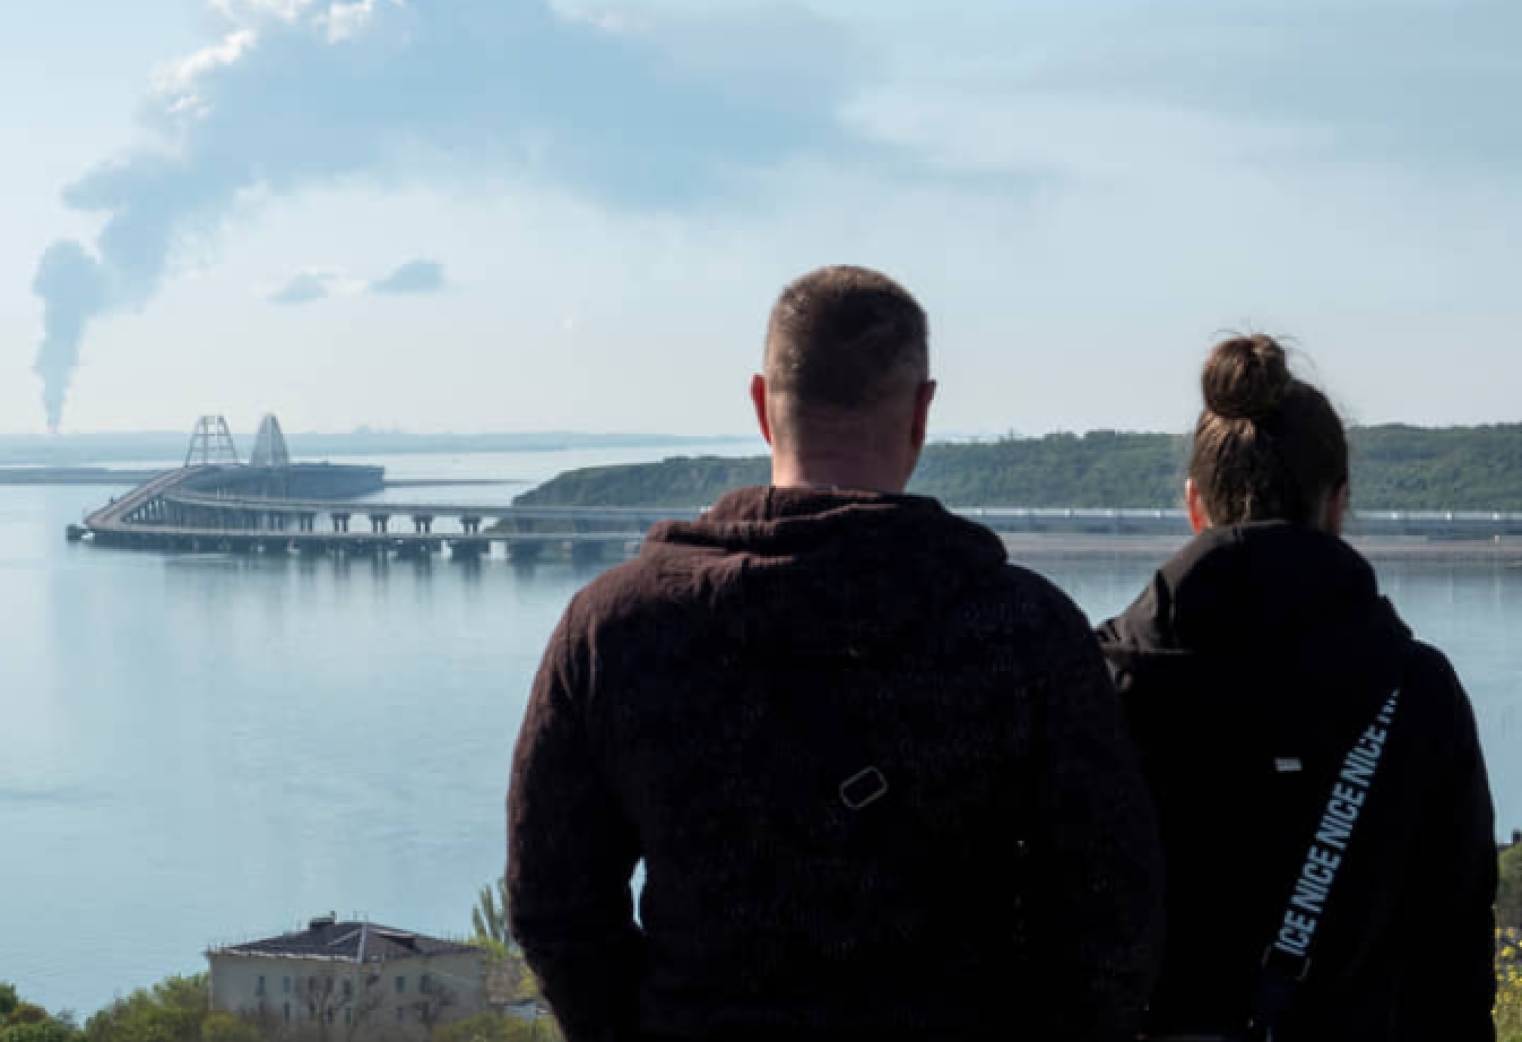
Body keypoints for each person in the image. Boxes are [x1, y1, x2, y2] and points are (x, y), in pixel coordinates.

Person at [506, 265, 1162, 1041]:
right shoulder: (1027, 632)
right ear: (922, 412)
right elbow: (1110, 913)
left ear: (760, 404)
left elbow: (551, 905)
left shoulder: (610, 629)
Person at [1098, 334, 1497, 1041]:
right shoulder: (1419, 692)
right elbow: (1455, 963)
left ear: (1195, 504)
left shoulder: (1100, 681)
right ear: (1339, 504)